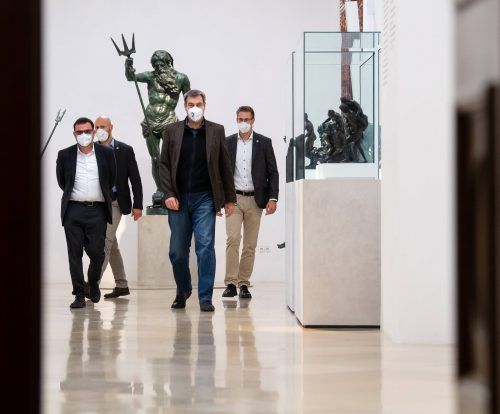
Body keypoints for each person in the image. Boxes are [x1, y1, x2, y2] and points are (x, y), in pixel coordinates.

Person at [159, 89, 236, 312]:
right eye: (191, 104)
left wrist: (229, 198)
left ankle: (205, 297)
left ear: (204, 106)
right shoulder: (172, 131)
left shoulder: (216, 130)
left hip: (205, 198)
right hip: (178, 199)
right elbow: (164, 164)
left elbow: (224, 165)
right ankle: (183, 289)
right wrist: (168, 194)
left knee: (205, 248)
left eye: (198, 104)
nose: (195, 108)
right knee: (177, 252)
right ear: (184, 107)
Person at [56, 117, 116, 309]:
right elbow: (62, 181)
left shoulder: (106, 153)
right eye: (79, 132)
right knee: (74, 254)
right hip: (73, 210)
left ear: (93, 132)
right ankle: (79, 294)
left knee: (97, 253)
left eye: (87, 131)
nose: (84, 135)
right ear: (74, 134)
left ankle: (93, 283)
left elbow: (111, 178)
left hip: (97, 210)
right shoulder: (64, 155)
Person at [223, 106, 279, 299]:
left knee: (250, 244)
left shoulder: (264, 142)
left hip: (256, 199)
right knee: (233, 239)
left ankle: (244, 283)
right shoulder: (228, 142)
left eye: (247, 119)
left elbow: (273, 172)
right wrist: (221, 199)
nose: (243, 122)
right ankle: (231, 283)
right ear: (236, 120)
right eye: (240, 119)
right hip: (234, 199)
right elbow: (221, 172)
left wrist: (273, 198)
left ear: (253, 120)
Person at [125, 50, 190, 190]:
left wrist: (191, 122)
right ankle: (160, 190)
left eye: (161, 64)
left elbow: (189, 102)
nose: (158, 68)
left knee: (172, 158)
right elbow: (131, 77)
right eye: (155, 65)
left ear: (168, 63)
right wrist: (128, 65)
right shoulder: (151, 76)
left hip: (169, 121)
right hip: (150, 121)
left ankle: (172, 189)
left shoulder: (182, 78)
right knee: (155, 159)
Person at [94, 116, 143, 298]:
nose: (99, 130)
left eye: (103, 126)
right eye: (97, 127)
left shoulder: (125, 150)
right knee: (112, 245)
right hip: (97, 203)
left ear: (111, 127)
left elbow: (135, 179)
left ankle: (92, 285)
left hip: (115, 202)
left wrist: (138, 205)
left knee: (103, 243)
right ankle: (122, 285)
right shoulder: (91, 149)